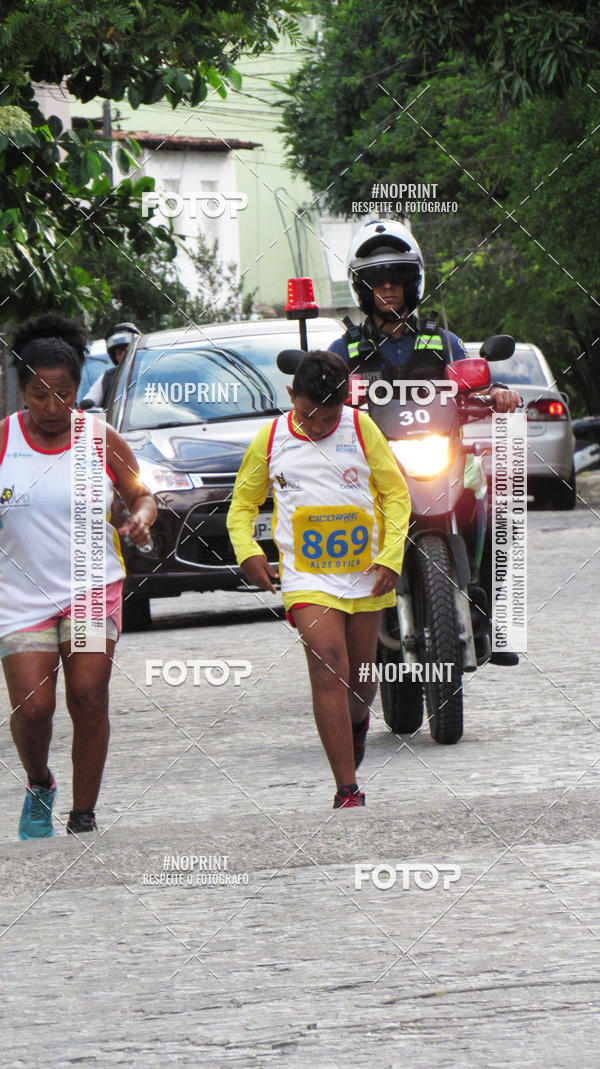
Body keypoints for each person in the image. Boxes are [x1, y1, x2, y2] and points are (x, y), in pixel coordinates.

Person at [330, 219, 522, 666]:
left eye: (396, 280)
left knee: (492, 513)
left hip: (441, 457)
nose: (388, 290)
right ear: (363, 290)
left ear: (412, 284)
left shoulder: (445, 342)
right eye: (377, 282)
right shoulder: (344, 350)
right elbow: (320, 394)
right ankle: (343, 621)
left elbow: (475, 383)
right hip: (373, 469)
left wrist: (497, 395)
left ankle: (497, 622)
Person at [227, 350, 411, 808]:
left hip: (365, 575)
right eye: (308, 416)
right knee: (330, 665)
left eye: (328, 419)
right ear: (291, 395)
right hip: (308, 578)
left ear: (345, 403)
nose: (317, 427)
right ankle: (347, 788)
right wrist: (249, 552)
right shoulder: (270, 439)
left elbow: (396, 494)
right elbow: (241, 508)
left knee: (362, 678)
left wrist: (390, 558)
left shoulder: (362, 429)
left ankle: (357, 724)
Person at [0, 313, 156, 839]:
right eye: (39, 395)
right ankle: (40, 782)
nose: (52, 407)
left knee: (88, 695)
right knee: (34, 707)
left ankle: (83, 814)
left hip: (91, 589)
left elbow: (141, 493)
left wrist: (139, 518)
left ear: (76, 390)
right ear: (21, 390)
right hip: (20, 596)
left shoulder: (97, 437)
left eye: (63, 393)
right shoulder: (3, 443)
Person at [83, 322, 140, 408]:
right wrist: (85, 405)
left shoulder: (150, 372)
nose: (123, 355)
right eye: (118, 353)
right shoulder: (108, 377)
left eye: (126, 350)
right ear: (114, 357)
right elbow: (90, 399)